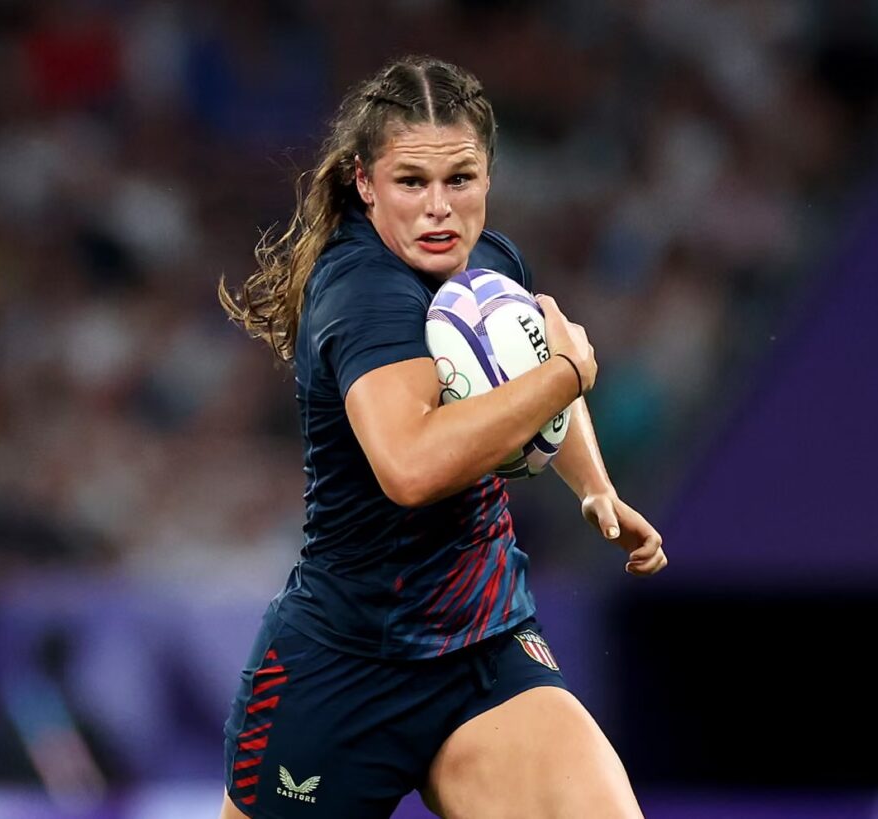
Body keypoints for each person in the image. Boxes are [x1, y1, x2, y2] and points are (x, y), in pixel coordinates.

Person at [217, 56, 666, 819]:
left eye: (460, 179)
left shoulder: (492, 263)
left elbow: (526, 376)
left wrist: (594, 485)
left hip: (484, 645)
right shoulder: (360, 292)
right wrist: (565, 375)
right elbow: (412, 467)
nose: (439, 210)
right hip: (345, 667)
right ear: (364, 183)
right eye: (411, 182)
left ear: (489, 173)